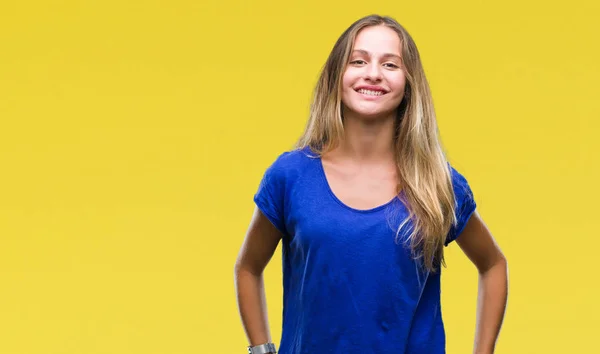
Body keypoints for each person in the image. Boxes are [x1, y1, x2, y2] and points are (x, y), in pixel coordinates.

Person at [234, 14, 508, 354]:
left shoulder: (438, 184)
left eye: (390, 64)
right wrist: (261, 349)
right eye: (358, 60)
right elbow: (247, 267)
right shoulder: (289, 176)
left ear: (409, 83)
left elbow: (493, 264)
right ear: (337, 76)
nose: (373, 73)